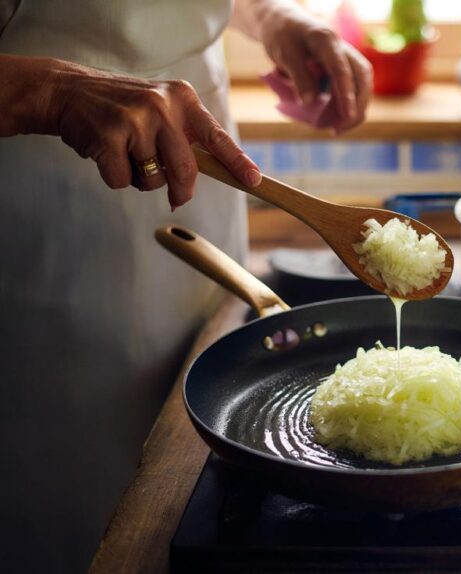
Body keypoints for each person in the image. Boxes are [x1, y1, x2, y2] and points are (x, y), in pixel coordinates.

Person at [0, 1, 372, 571]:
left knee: (210, 458)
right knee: (79, 502)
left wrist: (274, 17)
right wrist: (51, 91)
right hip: (41, 184)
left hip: (198, 148)